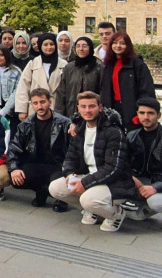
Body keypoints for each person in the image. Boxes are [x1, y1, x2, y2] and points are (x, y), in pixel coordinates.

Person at [49, 92, 135, 232]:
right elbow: (70, 158)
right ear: (78, 108)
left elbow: (113, 168)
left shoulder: (113, 132)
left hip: (114, 182)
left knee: (88, 200)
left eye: (91, 106)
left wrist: (84, 183)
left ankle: (116, 214)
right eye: (83, 106)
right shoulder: (79, 130)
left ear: (100, 107)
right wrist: (69, 174)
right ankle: (92, 210)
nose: (87, 110)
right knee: (55, 188)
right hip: (89, 175)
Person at [124, 98, 162, 231]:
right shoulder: (131, 136)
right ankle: (145, 206)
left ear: (158, 115)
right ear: (137, 114)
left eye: (150, 113)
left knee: (156, 202)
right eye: (142, 113)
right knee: (135, 216)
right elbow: (124, 164)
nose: (146, 117)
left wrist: (155, 188)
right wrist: (134, 179)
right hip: (141, 182)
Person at [6, 89, 71, 210]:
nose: (39, 106)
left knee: (58, 183)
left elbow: (73, 149)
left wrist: (69, 168)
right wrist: (14, 168)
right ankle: (42, 190)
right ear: (31, 104)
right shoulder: (25, 125)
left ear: (50, 102)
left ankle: (61, 198)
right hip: (36, 164)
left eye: (42, 102)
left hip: (58, 165)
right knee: (15, 178)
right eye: (35, 103)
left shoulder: (64, 123)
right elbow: (13, 148)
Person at [99, 31, 157, 130]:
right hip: (111, 109)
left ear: (128, 45)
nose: (118, 46)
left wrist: (141, 112)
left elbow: (146, 90)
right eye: (115, 43)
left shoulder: (138, 65)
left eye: (122, 43)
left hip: (131, 109)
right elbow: (103, 89)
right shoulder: (108, 65)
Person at [14, 33, 65, 121]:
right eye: (45, 44)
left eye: (51, 44)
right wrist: (22, 110)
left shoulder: (63, 64)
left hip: (57, 108)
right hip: (36, 108)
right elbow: (23, 87)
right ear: (40, 46)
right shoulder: (33, 64)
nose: (49, 47)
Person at [55, 36, 102, 120]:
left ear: (90, 48)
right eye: (78, 46)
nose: (81, 49)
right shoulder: (69, 67)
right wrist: (59, 115)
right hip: (71, 112)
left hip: (92, 113)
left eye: (84, 46)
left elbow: (103, 91)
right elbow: (61, 92)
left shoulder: (99, 67)